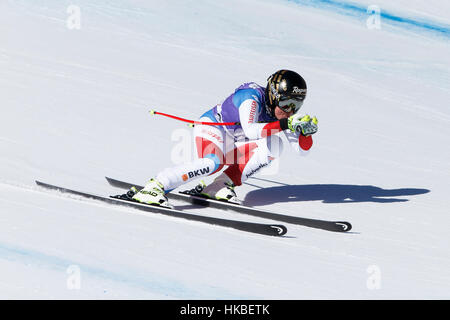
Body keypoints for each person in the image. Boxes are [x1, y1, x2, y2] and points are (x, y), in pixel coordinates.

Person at [131, 69, 318, 207]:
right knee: (212, 163)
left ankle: (219, 186)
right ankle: (156, 185)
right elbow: (251, 130)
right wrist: (286, 125)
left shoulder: (283, 113)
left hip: (236, 140)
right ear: (273, 95)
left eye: (296, 105)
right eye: (286, 103)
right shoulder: (251, 97)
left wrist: (305, 133)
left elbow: (301, 151)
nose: (290, 110)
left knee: (275, 145)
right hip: (213, 127)